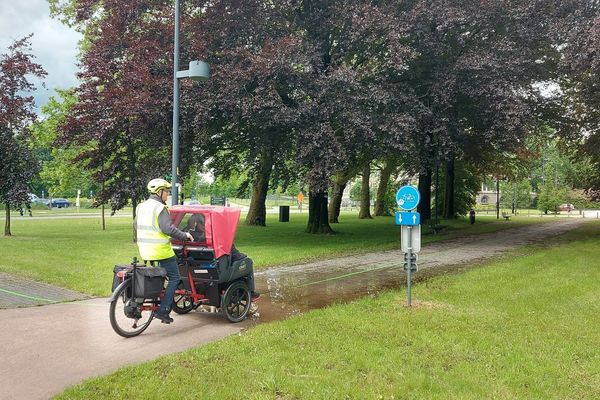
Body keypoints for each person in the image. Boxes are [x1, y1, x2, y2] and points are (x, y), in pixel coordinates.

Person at [135, 178, 193, 324]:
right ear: (159, 192)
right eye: (166, 191)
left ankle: (156, 297)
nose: (167, 194)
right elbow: (167, 229)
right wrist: (184, 235)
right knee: (175, 278)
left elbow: (136, 225)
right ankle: (163, 310)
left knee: (160, 277)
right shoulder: (160, 208)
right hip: (160, 251)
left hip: (145, 249)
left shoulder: (141, 206)